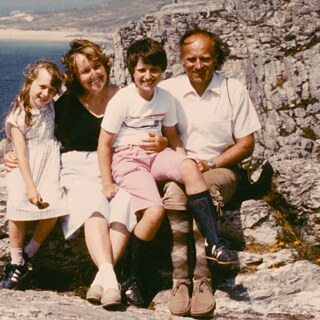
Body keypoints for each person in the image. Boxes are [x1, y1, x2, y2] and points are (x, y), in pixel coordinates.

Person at [97, 37, 237, 308]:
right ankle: (132, 277)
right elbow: (104, 143)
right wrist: (106, 181)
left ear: (162, 71)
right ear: (131, 71)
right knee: (154, 211)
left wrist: (183, 166)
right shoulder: (122, 100)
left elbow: (172, 138)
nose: (148, 76)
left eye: (154, 70)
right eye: (142, 70)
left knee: (189, 165)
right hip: (129, 161)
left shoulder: (166, 98)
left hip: (157, 155)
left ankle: (215, 242)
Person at [158, 28, 262, 318]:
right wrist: (183, 161)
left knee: (207, 191)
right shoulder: (170, 91)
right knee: (176, 195)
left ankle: (202, 279)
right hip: (181, 166)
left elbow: (246, 143)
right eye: (191, 59)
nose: (198, 66)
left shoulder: (232, 89)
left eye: (205, 58)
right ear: (181, 59)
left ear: (216, 59)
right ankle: (180, 280)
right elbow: (164, 134)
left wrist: (212, 164)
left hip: (222, 169)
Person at [0, 60, 66, 290]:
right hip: (25, 165)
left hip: (48, 161)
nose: (46, 93)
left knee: (55, 206)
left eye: (51, 89)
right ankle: (15, 261)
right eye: (41, 86)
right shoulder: (19, 115)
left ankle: (27, 255)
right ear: (29, 82)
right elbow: (20, 154)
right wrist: (30, 187)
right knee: (17, 206)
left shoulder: (51, 105)